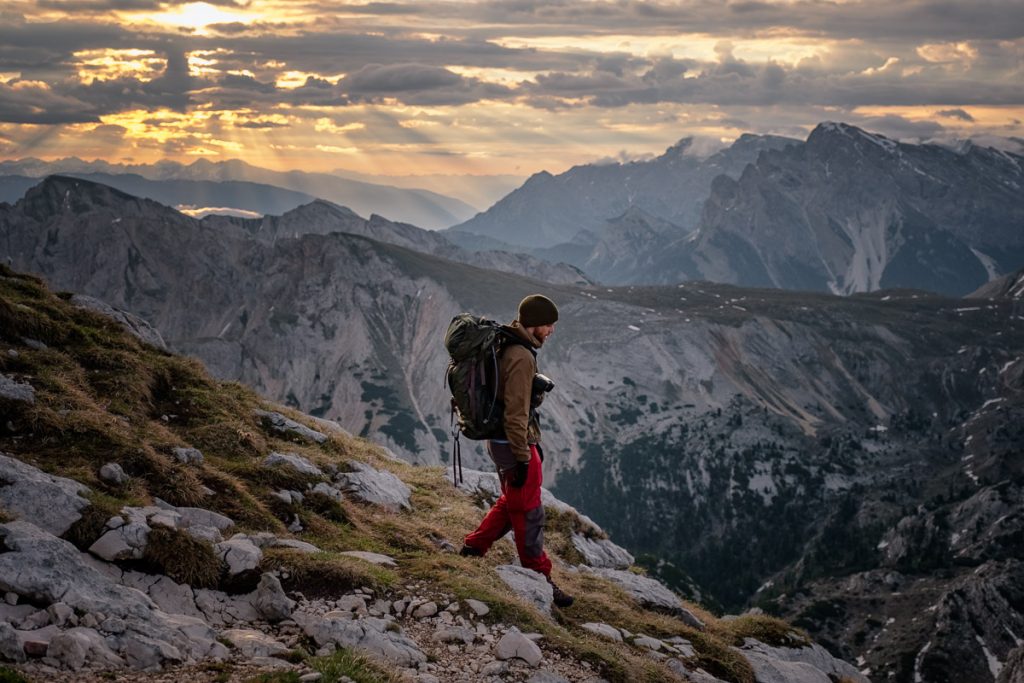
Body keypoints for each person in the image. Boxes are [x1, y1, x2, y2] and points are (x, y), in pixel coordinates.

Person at [460, 294, 574, 608]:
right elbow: (515, 414)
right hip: (515, 445)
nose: (551, 330)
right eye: (548, 324)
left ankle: (473, 547)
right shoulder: (521, 356)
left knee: (512, 501)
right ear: (534, 324)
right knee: (529, 513)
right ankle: (541, 578)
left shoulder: (505, 342)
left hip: (500, 442)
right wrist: (523, 457)